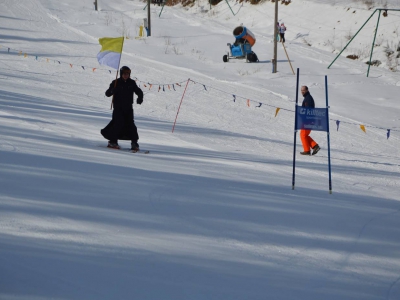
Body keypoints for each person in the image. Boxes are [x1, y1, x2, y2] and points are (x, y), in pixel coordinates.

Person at [101, 66, 144, 151]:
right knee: (117, 124)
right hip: (118, 108)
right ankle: (113, 141)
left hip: (128, 108)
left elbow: (138, 91)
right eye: (124, 73)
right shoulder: (116, 82)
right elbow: (107, 93)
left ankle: (134, 142)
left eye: (127, 74)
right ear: (121, 74)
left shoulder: (131, 83)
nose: (126, 75)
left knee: (131, 125)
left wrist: (140, 97)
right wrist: (113, 90)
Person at [300, 86, 320, 155]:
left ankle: (307, 150)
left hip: (308, 120)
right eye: (301, 90)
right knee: (304, 135)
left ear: (307, 90)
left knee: (303, 135)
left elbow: (308, 110)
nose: (302, 91)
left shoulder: (308, 99)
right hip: (308, 120)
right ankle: (314, 146)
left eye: (304, 90)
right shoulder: (307, 98)